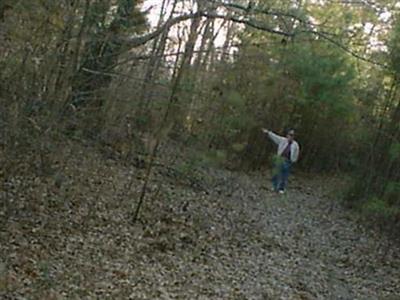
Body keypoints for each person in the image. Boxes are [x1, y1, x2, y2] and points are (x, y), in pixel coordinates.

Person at [261, 128, 300, 194]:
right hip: (280, 158)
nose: (291, 136)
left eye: (292, 135)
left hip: (288, 161)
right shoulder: (282, 140)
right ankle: (274, 186)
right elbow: (274, 137)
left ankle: (281, 188)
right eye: (290, 135)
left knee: (284, 176)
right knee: (275, 173)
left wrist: (293, 161)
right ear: (287, 135)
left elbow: (296, 153)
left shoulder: (295, 145)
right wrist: (268, 132)